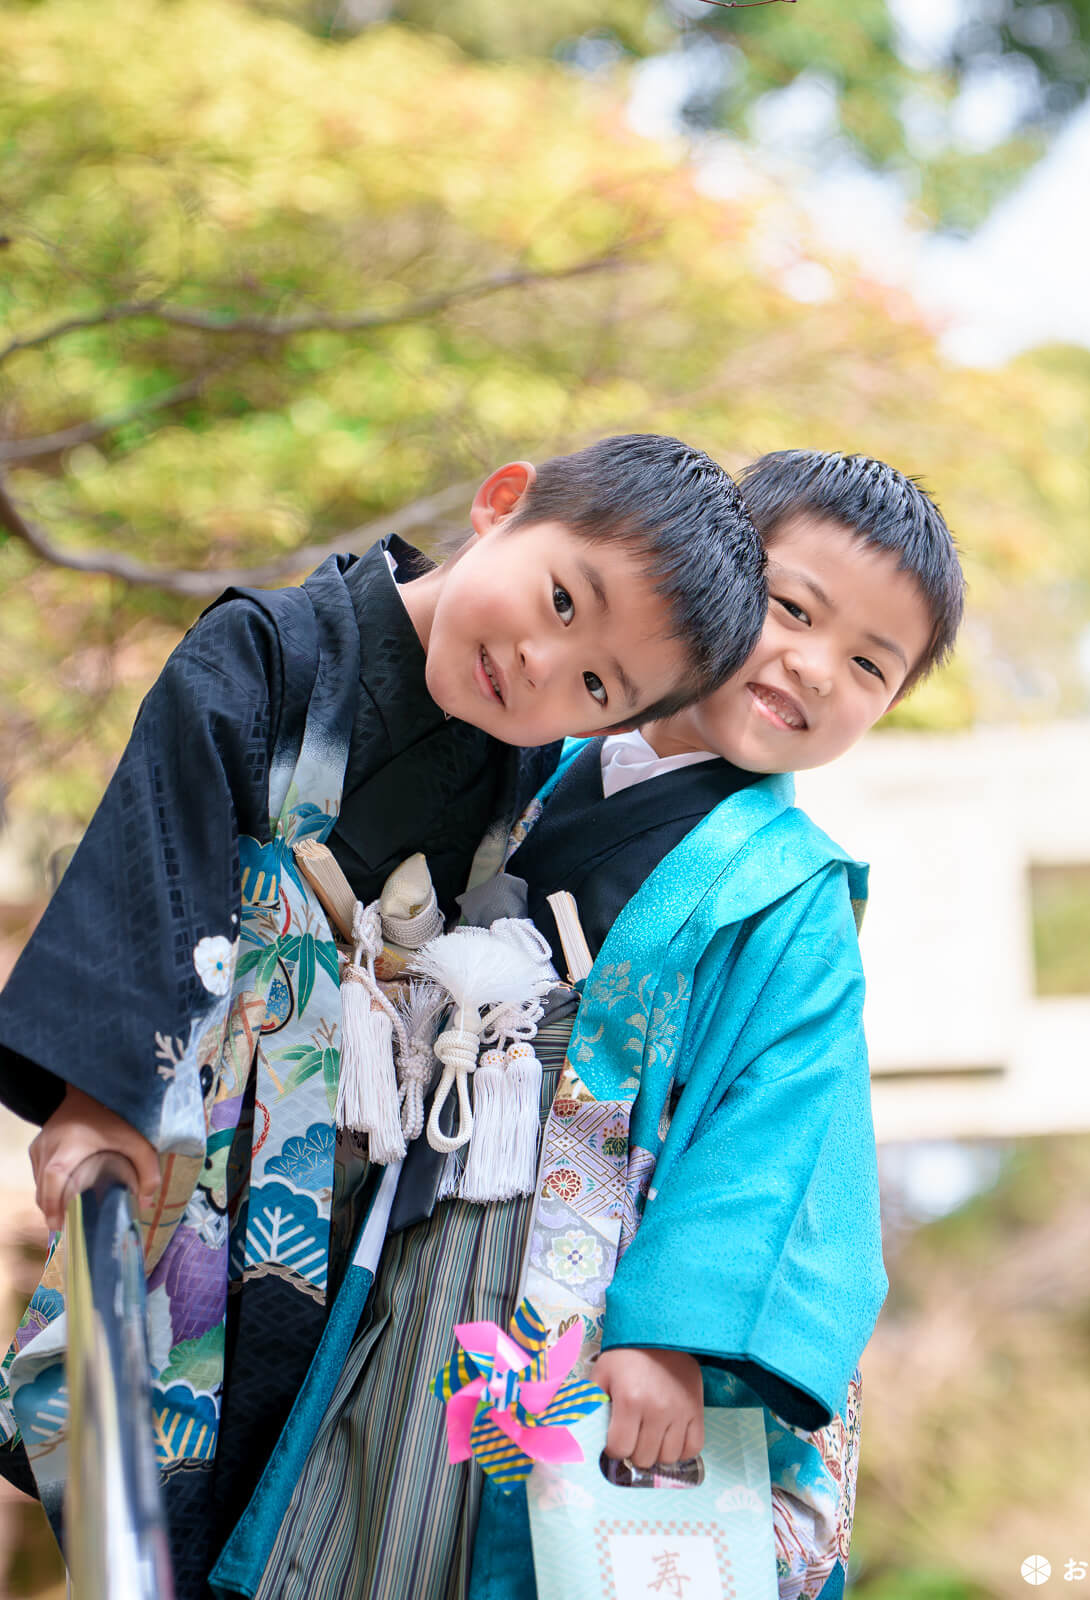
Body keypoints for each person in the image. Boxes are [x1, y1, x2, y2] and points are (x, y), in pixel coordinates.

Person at [0, 434, 767, 1600]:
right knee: (143, 1457)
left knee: (283, 1473)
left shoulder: (515, 772)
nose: (539, 662)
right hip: (197, 1116)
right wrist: (94, 1100)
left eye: (596, 685)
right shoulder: (269, 651)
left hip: (352, 1172)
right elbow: (156, 857)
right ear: (502, 502)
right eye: (561, 599)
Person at [223, 450, 963, 1600]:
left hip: (589, 1262)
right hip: (417, 1195)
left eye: (867, 664)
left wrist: (673, 1333)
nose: (811, 667)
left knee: (496, 1536)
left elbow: (785, 1126)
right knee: (370, 1493)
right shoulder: (536, 748)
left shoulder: (790, 888)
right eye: (789, 609)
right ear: (708, 584)